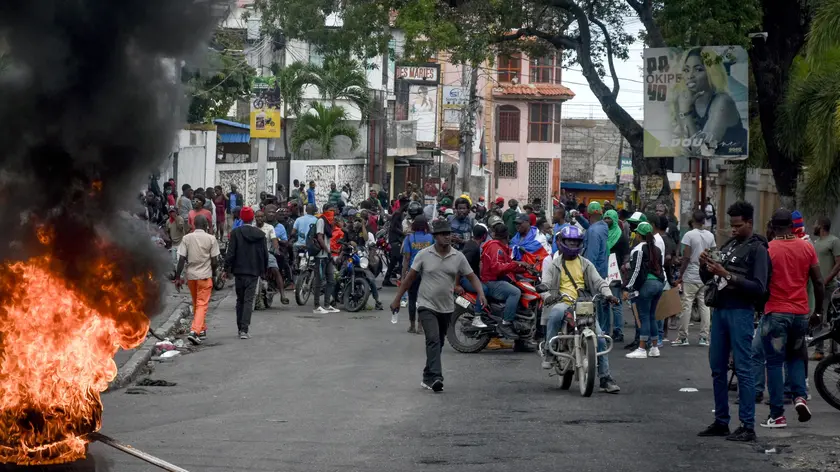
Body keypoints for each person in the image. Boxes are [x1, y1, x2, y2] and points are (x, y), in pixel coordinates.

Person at [697, 201, 769, 442]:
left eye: (738, 225)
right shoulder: (729, 246)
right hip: (720, 310)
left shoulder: (758, 249)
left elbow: (759, 288)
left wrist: (726, 274)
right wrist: (704, 265)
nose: (733, 229)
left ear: (749, 222)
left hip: (741, 311)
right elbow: (708, 278)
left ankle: (748, 425)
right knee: (717, 368)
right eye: (731, 225)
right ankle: (721, 421)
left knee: (744, 369)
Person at [390, 219, 487, 393]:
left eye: (448, 234)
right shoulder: (424, 255)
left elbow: (472, 277)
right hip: (427, 305)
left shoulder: (458, 257)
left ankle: (427, 376)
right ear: (435, 237)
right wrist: (397, 299)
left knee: (439, 342)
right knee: (433, 339)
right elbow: (409, 279)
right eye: (443, 234)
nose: (447, 237)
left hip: (447, 307)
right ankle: (436, 377)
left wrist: (481, 293)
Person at [759, 209, 823, 429]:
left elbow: (762, 283)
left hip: (776, 313)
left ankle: (777, 415)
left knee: (775, 363)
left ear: (773, 227)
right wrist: (818, 312)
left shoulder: (768, 249)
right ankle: (800, 398)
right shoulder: (806, 246)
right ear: (792, 226)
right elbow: (819, 282)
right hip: (800, 314)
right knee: (796, 357)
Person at [541, 225, 621, 393]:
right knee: (555, 312)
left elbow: (599, 282)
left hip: (584, 304)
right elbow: (546, 284)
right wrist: (546, 295)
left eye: (575, 242)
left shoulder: (586, 264)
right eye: (569, 241)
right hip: (563, 301)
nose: (572, 244)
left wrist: (608, 295)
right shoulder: (554, 264)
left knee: (599, 338)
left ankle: (605, 378)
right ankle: (549, 350)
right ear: (562, 242)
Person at [677, 47, 747, 157]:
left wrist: (685, 113)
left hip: (733, 161)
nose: (690, 76)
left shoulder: (723, 102)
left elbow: (702, 151)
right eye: (686, 70)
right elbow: (681, 145)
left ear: (712, 73)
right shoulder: (685, 100)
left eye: (698, 69)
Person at [173, 215, 219, 345]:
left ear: (193, 225)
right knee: (202, 304)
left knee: (196, 303)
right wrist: (214, 273)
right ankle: (195, 331)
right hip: (204, 276)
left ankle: (202, 329)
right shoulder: (211, 239)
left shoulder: (187, 238)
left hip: (191, 276)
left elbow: (181, 259)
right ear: (205, 225)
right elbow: (214, 261)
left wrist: (177, 277)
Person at [225, 206, 269, 340]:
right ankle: (244, 329)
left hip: (239, 271)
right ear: (253, 218)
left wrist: (227, 269)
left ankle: (240, 328)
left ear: (242, 218)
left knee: (240, 300)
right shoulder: (260, 235)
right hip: (254, 271)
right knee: (249, 300)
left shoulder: (235, 233)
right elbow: (264, 255)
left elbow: (230, 253)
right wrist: (263, 270)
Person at [674, 210, 716, 346]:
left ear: (693, 220)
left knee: (686, 305)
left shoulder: (689, 235)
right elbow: (714, 254)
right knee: (705, 306)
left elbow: (686, 257)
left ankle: (682, 337)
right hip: (705, 275)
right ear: (704, 221)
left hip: (691, 274)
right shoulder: (710, 235)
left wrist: (680, 275)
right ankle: (704, 337)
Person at [624, 222, 665, 359]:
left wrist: (628, 288)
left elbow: (636, 270)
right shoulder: (656, 249)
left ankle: (641, 348)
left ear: (639, 234)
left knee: (644, 316)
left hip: (647, 286)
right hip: (659, 284)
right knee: (652, 315)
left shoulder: (638, 249)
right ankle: (654, 348)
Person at [481, 226, 529, 340]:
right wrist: (516, 264)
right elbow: (497, 267)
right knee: (515, 292)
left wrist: (524, 267)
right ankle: (506, 322)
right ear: (507, 237)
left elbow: (508, 264)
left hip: (497, 279)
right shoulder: (495, 248)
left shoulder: (501, 247)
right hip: (491, 281)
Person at [812, 217, 840, 360]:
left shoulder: (834, 241)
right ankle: (819, 351)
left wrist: (826, 280)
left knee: (832, 320)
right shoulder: (815, 243)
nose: (813, 226)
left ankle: (834, 353)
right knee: (817, 317)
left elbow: (838, 263)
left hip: (829, 287)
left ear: (822, 226)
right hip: (817, 287)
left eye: (815, 224)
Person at [341, 215, 383, 310]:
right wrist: (349, 244)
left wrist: (363, 225)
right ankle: (333, 298)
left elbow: (365, 239)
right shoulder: (348, 230)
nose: (357, 222)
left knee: (371, 279)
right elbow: (343, 243)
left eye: (359, 221)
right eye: (355, 220)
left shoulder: (364, 231)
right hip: (349, 256)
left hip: (361, 258)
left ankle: (377, 301)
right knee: (340, 275)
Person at [401, 216, 434, 333]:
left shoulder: (409, 238)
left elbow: (407, 257)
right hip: (427, 272)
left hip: (412, 272)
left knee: (412, 299)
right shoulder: (431, 238)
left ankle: (412, 325)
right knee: (423, 300)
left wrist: (404, 274)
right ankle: (420, 326)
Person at [604, 209, 630, 341]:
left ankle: (618, 331)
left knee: (615, 302)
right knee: (603, 302)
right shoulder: (602, 234)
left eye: (609, 218)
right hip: (603, 271)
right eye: (605, 218)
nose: (607, 221)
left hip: (615, 273)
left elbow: (626, 254)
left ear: (615, 220)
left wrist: (624, 267)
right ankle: (604, 330)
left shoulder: (621, 236)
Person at [312, 203, 339, 314]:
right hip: (321, 255)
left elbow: (329, 236)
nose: (333, 213)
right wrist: (327, 251)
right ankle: (317, 306)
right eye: (331, 210)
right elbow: (319, 237)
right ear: (325, 210)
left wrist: (333, 224)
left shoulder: (328, 222)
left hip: (327, 255)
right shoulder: (321, 221)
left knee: (331, 280)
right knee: (319, 280)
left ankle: (327, 304)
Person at [383, 196, 409, 286]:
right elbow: (393, 227)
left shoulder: (400, 213)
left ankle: (386, 280)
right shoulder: (397, 213)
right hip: (395, 240)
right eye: (407, 204)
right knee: (401, 260)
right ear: (404, 204)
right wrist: (403, 233)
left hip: (396, 240)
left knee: (394, 261)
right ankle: (403, 280)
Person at [164, 206, 187, 271]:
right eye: (170, 212)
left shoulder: (180, 219)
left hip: (180, 242)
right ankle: (176, 275)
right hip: (173, 243)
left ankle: (181, 275)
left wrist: (175, 219)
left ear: (176, 212)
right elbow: (167, 231)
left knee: (180, 259)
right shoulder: (168, 221)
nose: (172, 213)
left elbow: (180, 228)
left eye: (173, 212)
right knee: (174, 260)